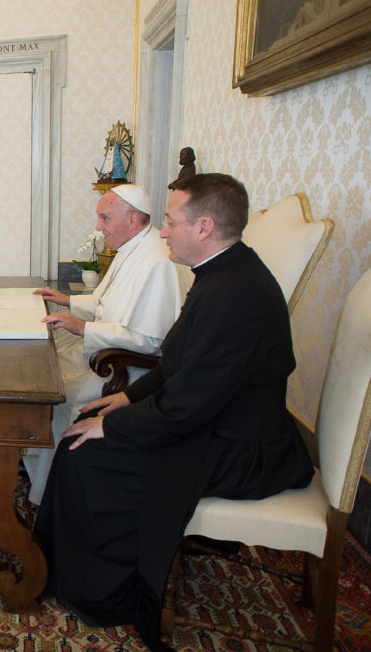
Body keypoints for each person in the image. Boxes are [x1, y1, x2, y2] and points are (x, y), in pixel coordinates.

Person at [33, 173, 314, 650]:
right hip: (214, 421)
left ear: (203, 227)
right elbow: (178, 362)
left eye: (169, 221)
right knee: (85, 428)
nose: (161, 232)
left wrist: (116, 426)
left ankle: (103, 593)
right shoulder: (222, 276)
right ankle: (60, 569)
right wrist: (126, 399)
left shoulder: (234, 295)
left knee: (86, 452)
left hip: (242, 448)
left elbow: (188, 406)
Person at [22, 184, 192, 504]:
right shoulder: (131, 246)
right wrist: (68, 302)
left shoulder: (157, 262)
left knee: (53, 386)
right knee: (41, 359)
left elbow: (149, 340)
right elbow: (106, 304)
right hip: (108, 351)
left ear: (132, 219)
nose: (98, 227)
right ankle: (38, 459)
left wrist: (84, 328)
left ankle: (55, 486)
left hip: (128, 369)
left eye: (104, 219)